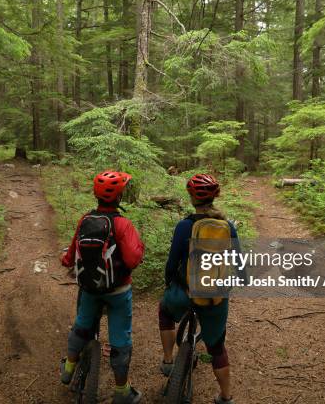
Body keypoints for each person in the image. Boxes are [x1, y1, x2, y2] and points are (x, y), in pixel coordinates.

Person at [60, 171, 145, 404]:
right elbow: (132, 260)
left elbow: (71, 253)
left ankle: (68, 368)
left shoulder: (85, 220)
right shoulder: (123, 224)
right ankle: (122, 392)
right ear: (119, 198)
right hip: (118, 292)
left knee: (82, 325)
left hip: (89, 289)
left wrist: (66, 260)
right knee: (120, 338)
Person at [158, 174, 241, 404]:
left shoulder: (184, 226)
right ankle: (225, 396)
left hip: (185, 293)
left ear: (191, 196)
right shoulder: (228, 227)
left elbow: (172, 262)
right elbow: (240, 267)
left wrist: (170, 285)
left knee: (165, 311)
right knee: (217, 347)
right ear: (216, 196)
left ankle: (167, 361)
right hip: (215, 297)